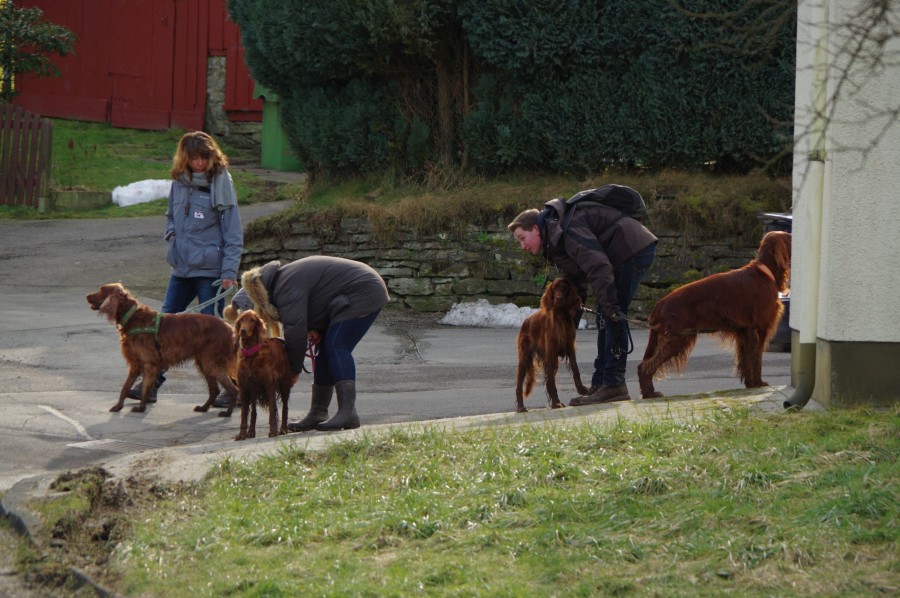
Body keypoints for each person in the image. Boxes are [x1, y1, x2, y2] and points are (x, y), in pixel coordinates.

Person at [508, 191, 657, 404]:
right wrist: (565, 325)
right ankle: (601, 383)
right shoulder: (555, 239)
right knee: (605, 315)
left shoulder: (567, 229)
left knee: (612, 314)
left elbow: (598, 265)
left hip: (631, 250)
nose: (522, 246)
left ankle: (614, 384)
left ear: (536, 229)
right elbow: (576, 285)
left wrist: (611, 307)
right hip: (621, 255)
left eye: (522, 238)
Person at [127, 131, 243, 403]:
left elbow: (233, 232)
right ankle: (151, 384)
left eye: (204, 157)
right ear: (185, 158)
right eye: (194, 158)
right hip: (181, 269)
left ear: (212, 157)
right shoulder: (179, 182)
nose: (199, 163)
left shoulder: (221, 182)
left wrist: (229, 272)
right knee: (163, 328)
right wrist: (171, 234)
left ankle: (235, 389)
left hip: (210, 271)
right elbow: (171, 215)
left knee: (215, 335)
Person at [228, 256, 390, 431]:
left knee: (336, 345)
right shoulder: (281, 281)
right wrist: (314, 326)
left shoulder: (285, 288)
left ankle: (348, 413)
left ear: (259, 295)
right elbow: (316, 303)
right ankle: (318, 412)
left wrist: (293, 370)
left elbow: (295, 331)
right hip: (352, 292)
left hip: (364, 291)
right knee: (325, 351)